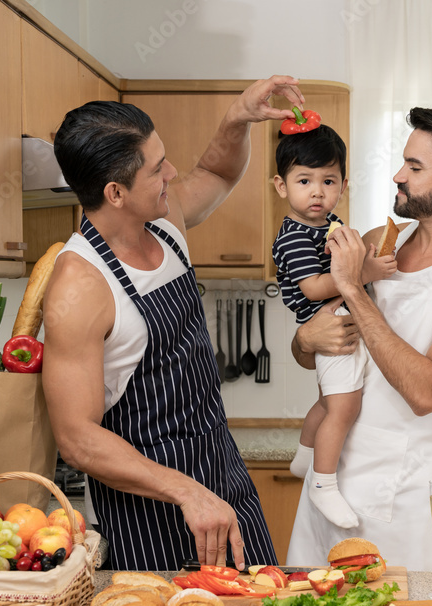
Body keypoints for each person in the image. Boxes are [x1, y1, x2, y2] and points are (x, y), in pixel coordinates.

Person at [42, 76, 306, 572]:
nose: (173, 173)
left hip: (224, 483)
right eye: (158, 168)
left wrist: (237, 117)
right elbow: (76, 438)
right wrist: (186, 492)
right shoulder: (80, 286)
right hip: (150, 514)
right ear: (116, 192)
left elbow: (218, 172)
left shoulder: (164, 222)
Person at [286, 104, 432, 572]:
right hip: (328, 479)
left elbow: (426, 391)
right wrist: (305, 338)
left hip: (405, 497)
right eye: (403, 162)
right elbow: (313, 352)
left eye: (415, 167)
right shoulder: (381, 240)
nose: (398, 176)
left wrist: (354, 290)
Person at [270, 125, 397, 530]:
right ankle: (323, 484)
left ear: (343, 184)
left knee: (327, 403)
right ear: (281, 185)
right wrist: (365, 272)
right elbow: (313, 287)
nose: (317, 192)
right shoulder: (293, 237)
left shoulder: (331, 223)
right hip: (327, 321)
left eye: (328, 181)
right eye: (304, 181)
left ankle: (305, 459)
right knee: (345, 407)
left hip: (341, 316)